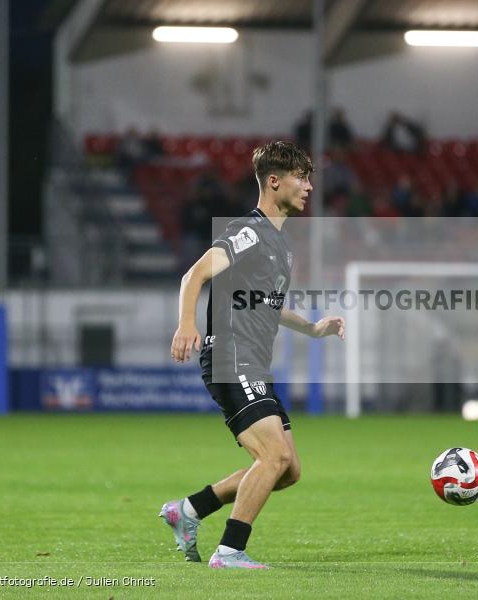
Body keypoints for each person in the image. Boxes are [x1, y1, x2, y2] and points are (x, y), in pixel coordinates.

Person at [161, 141, 345, 569]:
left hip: (253, 363)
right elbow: (196, 273)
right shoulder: (249, 231)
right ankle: (230, 551)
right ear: (275, 181)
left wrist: (313, 328)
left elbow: (266, 305)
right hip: (231, 355)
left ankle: (189, 510)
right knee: (274, 457)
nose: (309, 186)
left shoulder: (280, 245)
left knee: (288, 469)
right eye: (301, 177)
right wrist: (187, 323)